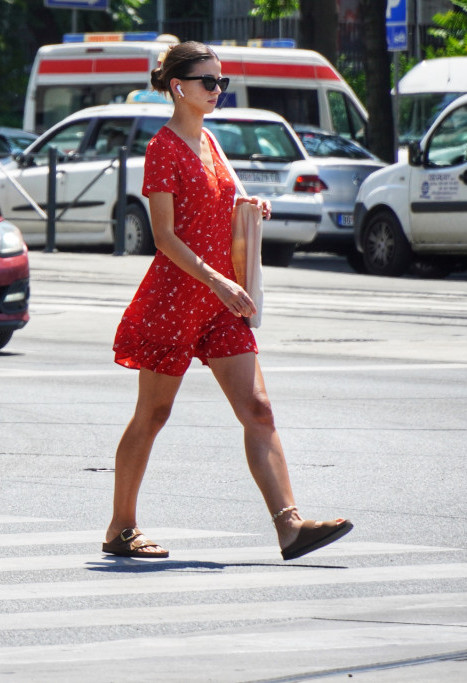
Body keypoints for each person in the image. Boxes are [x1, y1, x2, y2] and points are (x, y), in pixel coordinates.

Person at [103, 41, 353, 562]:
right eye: (208, 82)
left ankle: (290, 526)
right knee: (153, 414)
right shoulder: (163, 148)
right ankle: (120, 528)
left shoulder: (211, 142)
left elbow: (216, 207)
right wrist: (216, 279)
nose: (218, 91)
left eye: (222, 82)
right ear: (179, 87)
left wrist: (248, 206)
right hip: (177, 298)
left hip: (220, 302)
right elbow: (165, 237)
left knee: (259, 410)